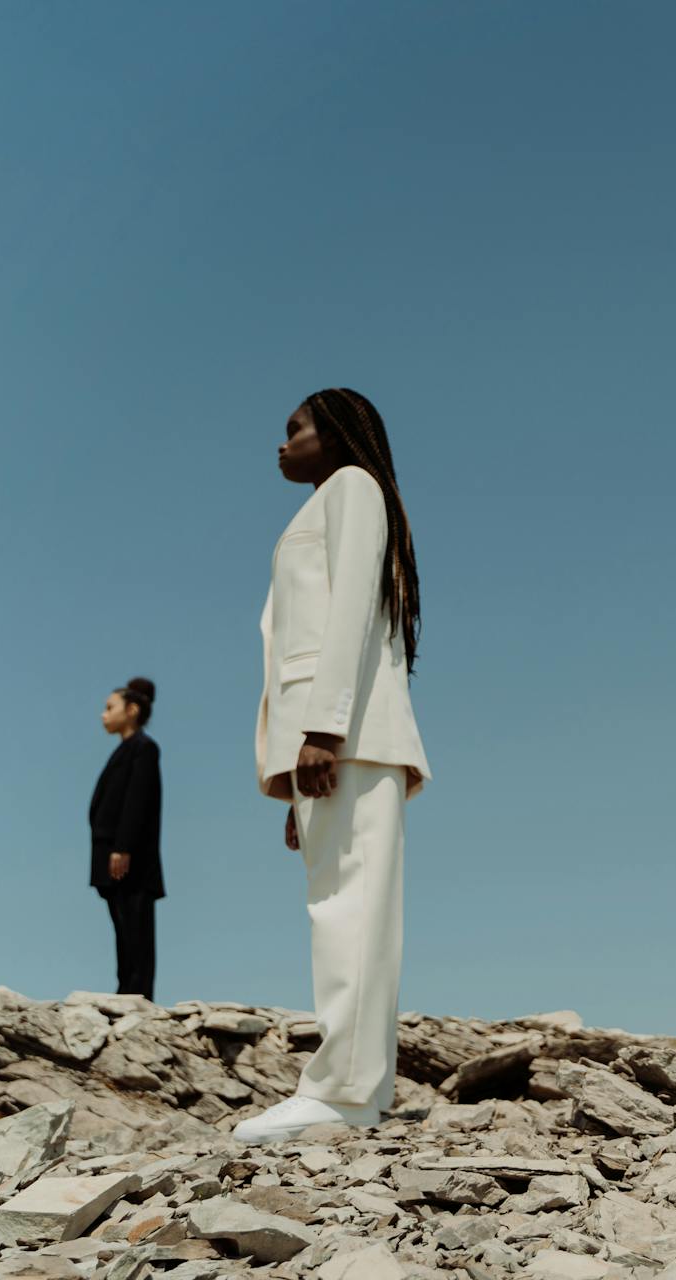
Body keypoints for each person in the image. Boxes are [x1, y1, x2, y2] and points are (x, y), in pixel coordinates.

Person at [233, 387, 433, 1145]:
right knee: (340, 908)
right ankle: (351, 1089)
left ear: (339, 433)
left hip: (345, 734)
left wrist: (323, 729)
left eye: (296, 429)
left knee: (351, 909)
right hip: (332, 743)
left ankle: (343, 1093)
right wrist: (296, 769)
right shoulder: (323, 505)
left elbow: (350, 609)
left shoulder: (353, 488)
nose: (280, 444)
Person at [89, 677, 164, 1001]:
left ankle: (138, 993)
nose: (103, 715)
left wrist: (123, 847)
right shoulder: (125, 750)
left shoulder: (144, 748)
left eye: (110, 708)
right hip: (113, 854)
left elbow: (137, 801)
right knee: (122, 925)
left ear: (132, 710)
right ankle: (126, 990)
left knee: (136, 926)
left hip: (130, 857)